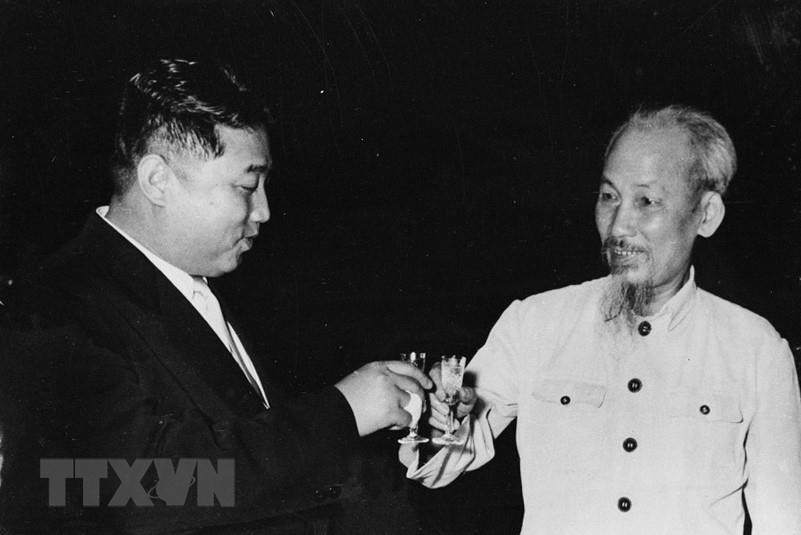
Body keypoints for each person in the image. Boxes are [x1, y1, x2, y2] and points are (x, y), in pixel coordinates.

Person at [0, 58, 431, 534]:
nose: (264, 211)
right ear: (158, 181)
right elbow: (123, 488)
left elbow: (262, 476)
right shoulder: (50, 306)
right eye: (247, 185)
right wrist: (342, 412)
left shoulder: (202, 285)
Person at [401, 105, 801, 534]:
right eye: (609, 196)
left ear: (706, 215)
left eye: (646, 201)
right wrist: (441, 412)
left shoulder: (757, 350)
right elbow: (441, 466)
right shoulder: (534, 324)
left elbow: (782, 520)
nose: (619, 224)